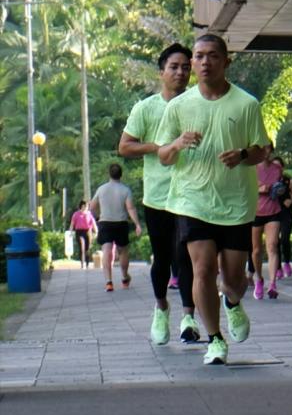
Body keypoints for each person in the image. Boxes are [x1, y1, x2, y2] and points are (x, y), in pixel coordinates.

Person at [157, 33, 270, 365]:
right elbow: (163, 155)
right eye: (199, 56)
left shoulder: (246, 104)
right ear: (193, 62)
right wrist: (177, 144)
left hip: (236, 203)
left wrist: (243, 154)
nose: (205, 62)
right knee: (203, 269)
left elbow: (262, 150)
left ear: (226, 62)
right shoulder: (178, 106)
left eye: (213, 56)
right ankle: (215, 339)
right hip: (192, 201)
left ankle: (232, 302)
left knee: (234, 279)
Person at [119, 43, 200, 344]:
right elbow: (124, 146)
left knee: (187, 256)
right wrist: (159, 147)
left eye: (185, 67)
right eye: (174, 67)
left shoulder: (199, 103)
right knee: (163, 257)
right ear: (162, 72)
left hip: (192, 193)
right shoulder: (146, 108)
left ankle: (189, 317)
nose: (181, 72)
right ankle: (161, 308)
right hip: (158, 196)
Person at [90, 163, 143, 292]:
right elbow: (130, 208)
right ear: (121, 174)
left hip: (105, 223)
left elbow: (92, 206)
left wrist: (97, 217)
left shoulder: (101, 189)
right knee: (123, 251)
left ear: (109, 174)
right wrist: (137, 224)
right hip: (121, 223)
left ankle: (109, 282)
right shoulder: (125, 190)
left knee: (107, 252)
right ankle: (125, 277)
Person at [252, 143, 284, 300]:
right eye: (262, 148)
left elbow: (282, 187)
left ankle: (272, 284)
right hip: (255, 212)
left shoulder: (277, 169)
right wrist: (259, 189)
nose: (265, 152)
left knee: (272, 246)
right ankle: (259, 279)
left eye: (268, 148)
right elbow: (245, 188)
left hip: (274, 211)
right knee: (256, 250)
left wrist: (279, 189)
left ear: (271, 150)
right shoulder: (251, 169)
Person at [274, 156, 292, 280]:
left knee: (284, 239)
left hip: (286, 214)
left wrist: (291, 200)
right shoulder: (268, 181)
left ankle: (287, 262)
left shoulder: (288, 181)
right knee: (274, 242)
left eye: (279, 166)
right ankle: (277, 268)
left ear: (282, 168)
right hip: (272, 213)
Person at [69, 201, 97, 268]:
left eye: (87, 206)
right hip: (79, 232)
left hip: (87, 232)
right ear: (81, 206)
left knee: (87, 248)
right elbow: (72, 224)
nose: (85, 208)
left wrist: (96, 231)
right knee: (82, 246)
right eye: (84, 206)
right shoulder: (76, 214)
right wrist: (71, 232)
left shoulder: (89, 214)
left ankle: (87, 264)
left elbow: (93, 223)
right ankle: (82, 263)